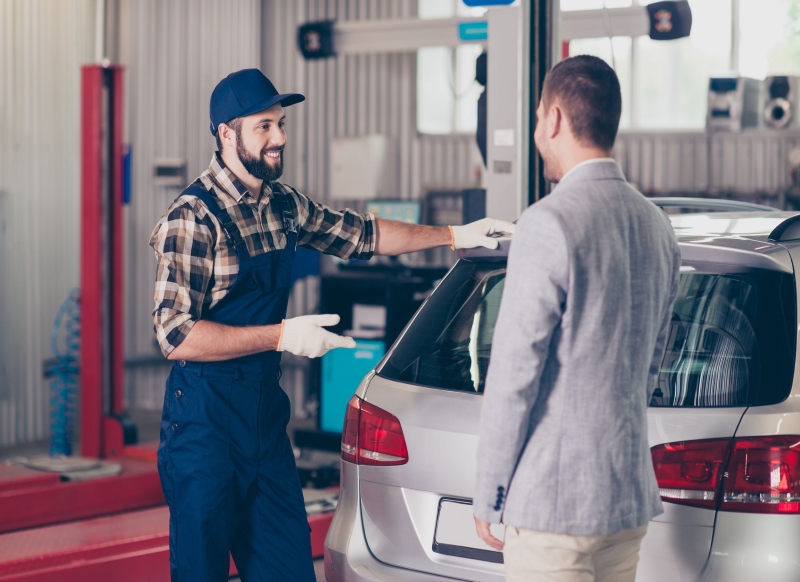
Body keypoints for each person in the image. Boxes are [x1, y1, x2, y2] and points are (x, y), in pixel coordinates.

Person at [149, 68, 514, 582]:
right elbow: (174, 334)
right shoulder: (193, 218)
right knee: (200, 572)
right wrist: (283, 335)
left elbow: (364, 235)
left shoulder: (284, 205)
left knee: (289, 568)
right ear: (225, 132)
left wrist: (454, 235)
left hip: (263, 421)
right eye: (264, 127)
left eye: (280, 124)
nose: (279, 138)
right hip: (203, 427)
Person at [472, 55, 680, 582]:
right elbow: (651, 364)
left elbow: (514, 376)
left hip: (554, 509)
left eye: (540, 115)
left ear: (556, 119)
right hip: (624, 500)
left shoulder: (548, 223)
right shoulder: (657, 225)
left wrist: (490, 494)